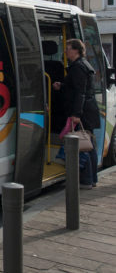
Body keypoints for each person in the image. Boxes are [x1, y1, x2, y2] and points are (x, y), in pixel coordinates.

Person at [53, 39, 100, 189]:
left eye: (67, 48)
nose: (65, 52)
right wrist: (63, 86)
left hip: (83, 111)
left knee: (82, 145)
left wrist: (76, 114)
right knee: (88, 144)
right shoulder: (81, 65)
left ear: (76, 51)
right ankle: (91, 179)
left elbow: (81, 92)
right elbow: (77, 88)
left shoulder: (78, 67)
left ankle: (85, 180)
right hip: (87, 110)